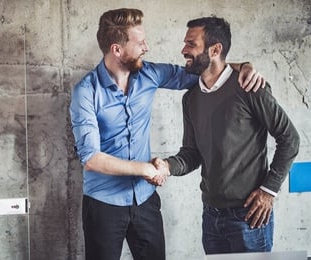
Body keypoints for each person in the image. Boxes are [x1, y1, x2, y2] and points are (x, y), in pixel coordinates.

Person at [70, 8, 265, 260]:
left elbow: (203, 70)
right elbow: (91, 158)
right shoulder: (85, 92)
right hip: (103, 204)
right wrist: (146, 169)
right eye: (140, 43)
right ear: (117, 49)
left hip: (145, 200)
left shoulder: (150, 74)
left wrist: (244, 66)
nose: (147, 47)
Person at [152, 16, 300, 254]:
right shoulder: (190, 99)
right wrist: (166, 166)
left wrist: (268, 190)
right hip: (211, 216)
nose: (183, 50)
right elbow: (191, 154)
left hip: (249, 216)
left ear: (215, 49)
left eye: (191, 44)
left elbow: (290, 139)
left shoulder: (250, 87)